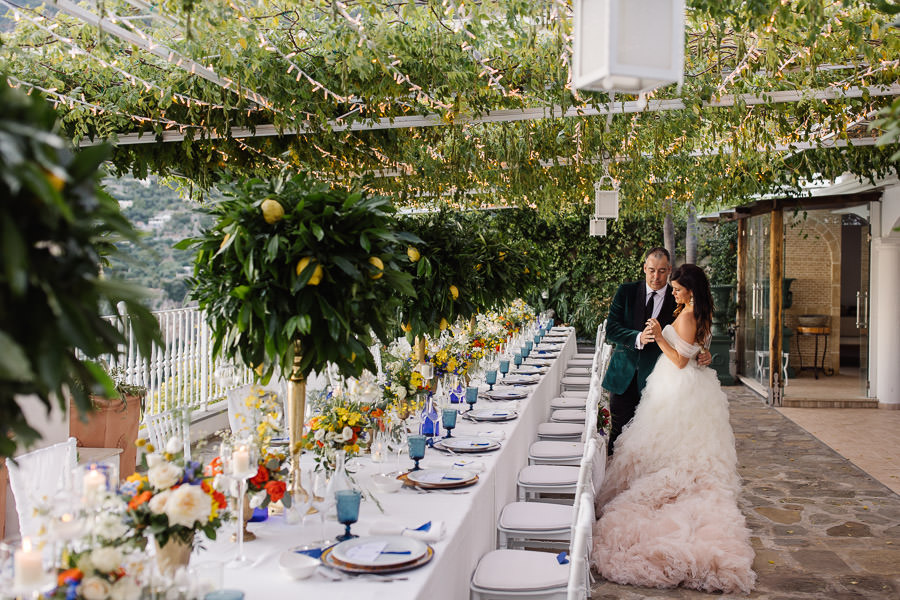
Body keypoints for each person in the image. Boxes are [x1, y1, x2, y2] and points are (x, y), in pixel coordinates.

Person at [592, 264, 756, 594]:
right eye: (669, 283)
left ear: (689, 289)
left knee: (666, 442)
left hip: (677, 383)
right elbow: (692, 344)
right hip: (680, 385)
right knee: (669, 442)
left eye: (677, 286)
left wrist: (657, 331)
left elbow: (681, 358)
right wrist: (697, 349)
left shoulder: (685, 312)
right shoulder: (687, 308)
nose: (672, 290)